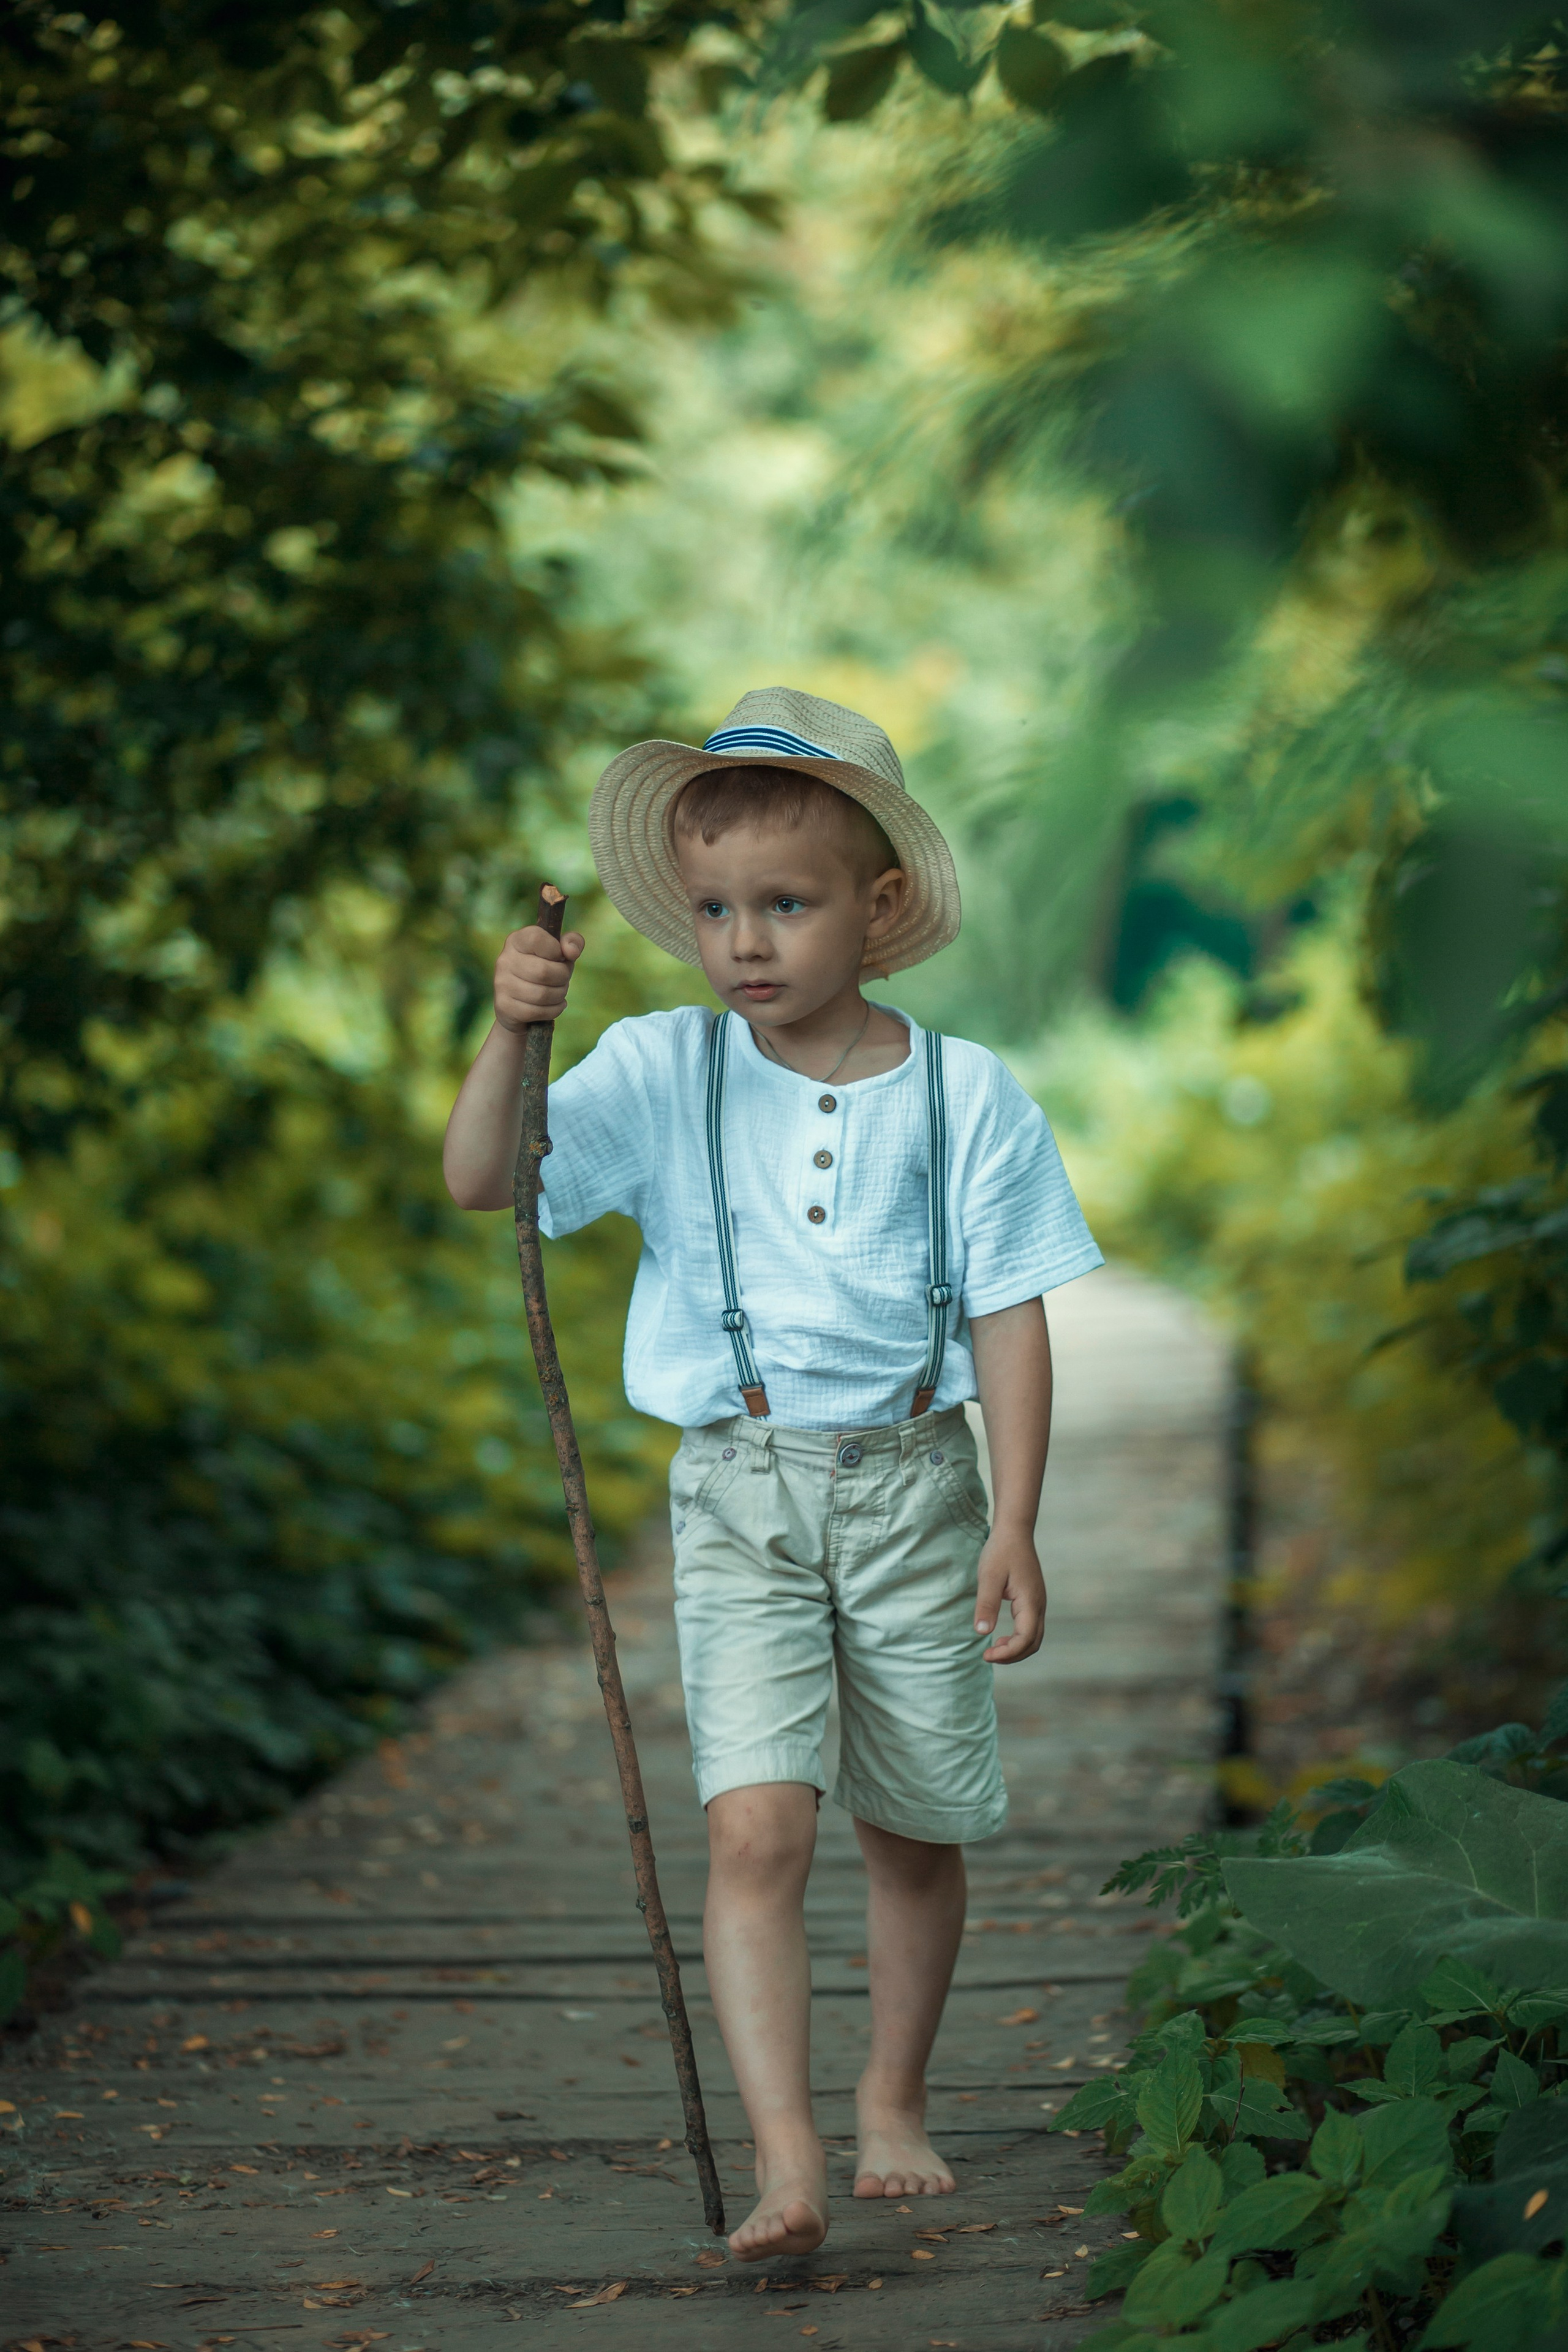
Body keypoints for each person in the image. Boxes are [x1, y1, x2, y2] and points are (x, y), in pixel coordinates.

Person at [443, 687, 1101, 2260]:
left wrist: (1013, 1520)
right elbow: (484, 1181)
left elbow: (1007, 1313)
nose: (743, 941)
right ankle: (786, 2159)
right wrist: (510, 1031)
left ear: (877, 910)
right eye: (715, 910)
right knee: (755, 1828)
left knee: (909, 1825)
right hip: (736, 1492)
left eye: (785, 905)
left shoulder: (964, 1094)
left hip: (914, 1490)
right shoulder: (663, 1068)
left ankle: (891, 2096)